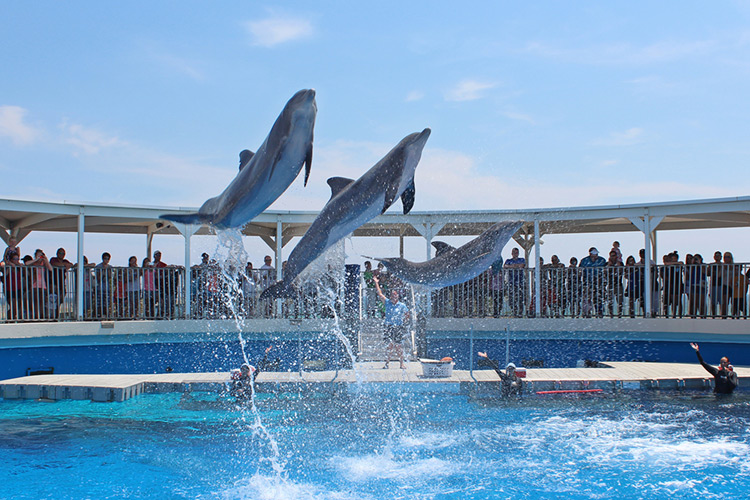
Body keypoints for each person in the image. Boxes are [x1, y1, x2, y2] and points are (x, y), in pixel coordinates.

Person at [373, 275, 409, 369]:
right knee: (389, 346)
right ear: (390, 296)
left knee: (398, 346)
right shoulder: (387, 302)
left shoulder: (402, 305)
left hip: (398, 327)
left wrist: (404, 321)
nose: (394, 296)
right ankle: (387, 364)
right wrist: (376, 282)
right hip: (388, 326)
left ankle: (401, 363)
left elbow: (407, 314)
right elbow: (380, 294)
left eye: (395, 295)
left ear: (398, 296)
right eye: (392, 295)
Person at [49, 248, 75, 320]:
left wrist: (66, 264)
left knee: (60, 301)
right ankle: (52, 316)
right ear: (57, 253)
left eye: (63, 254)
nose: (62, 255)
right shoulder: (53, 259)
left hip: (61, 283)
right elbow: (54, 264)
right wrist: (64, 265)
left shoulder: (65, 261)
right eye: (60, 253)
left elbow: (70, 264)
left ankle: (56, 316)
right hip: (54, 283)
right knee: (53, 300)